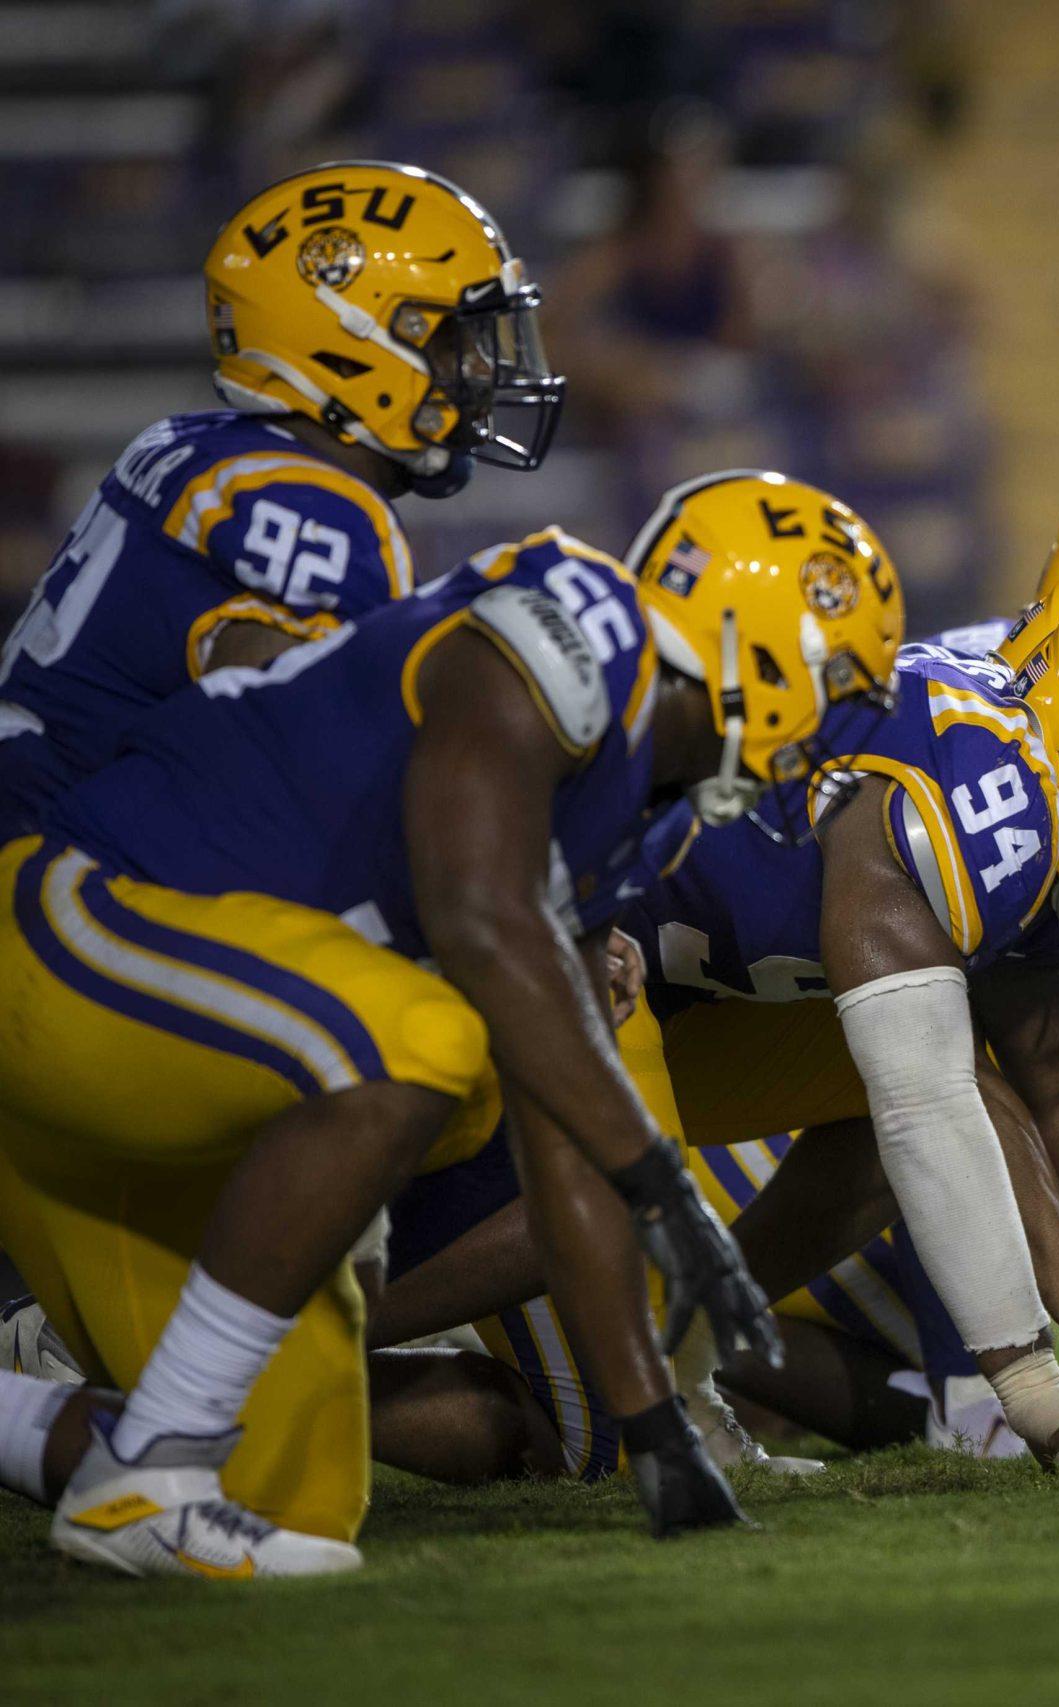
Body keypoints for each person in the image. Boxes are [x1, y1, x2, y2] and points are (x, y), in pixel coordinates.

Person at [0, 501, 841, 1575]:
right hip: (84, 926)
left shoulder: (634, 798)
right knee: (424, 1040)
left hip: (206, 1037)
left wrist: (656, 1424)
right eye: (840, 688)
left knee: (287, 1498)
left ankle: (123, 1455)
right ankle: (154, 1460)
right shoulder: (567, 632)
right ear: (766, 652)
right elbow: (477, 919)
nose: (836, 729)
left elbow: (560, 1125)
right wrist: (654, 1179)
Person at [0, 160, 562, 840]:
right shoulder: (316, 507)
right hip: (51, 862)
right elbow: (290, 777)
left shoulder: (197, 443)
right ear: (351, 339)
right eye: (450, 339)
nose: (477, 370)